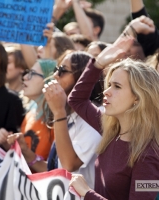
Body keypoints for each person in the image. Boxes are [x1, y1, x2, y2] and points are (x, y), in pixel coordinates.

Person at [68, 38, 159, 199]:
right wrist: (97, 64)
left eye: (116, 86)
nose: (106, 91)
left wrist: (87, 193)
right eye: (108, 84)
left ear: (138, 98)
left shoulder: (149, 155)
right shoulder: (111, 130)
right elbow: (76, 100)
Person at [9, 51, 102, 189]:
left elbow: (69, 165)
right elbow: (56, 169)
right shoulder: (70, 115)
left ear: (82, 78)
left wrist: (59, 112)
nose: (55, 76)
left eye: (63, 71)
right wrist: (27, 153)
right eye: (56, 69)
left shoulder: (94, 116)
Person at [20, 59, 56, 163]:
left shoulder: (56, 121)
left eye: (32, 73)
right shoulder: (30, 113)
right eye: (28, 72)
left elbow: (57, 169)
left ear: (49, 79)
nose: (25, 77)